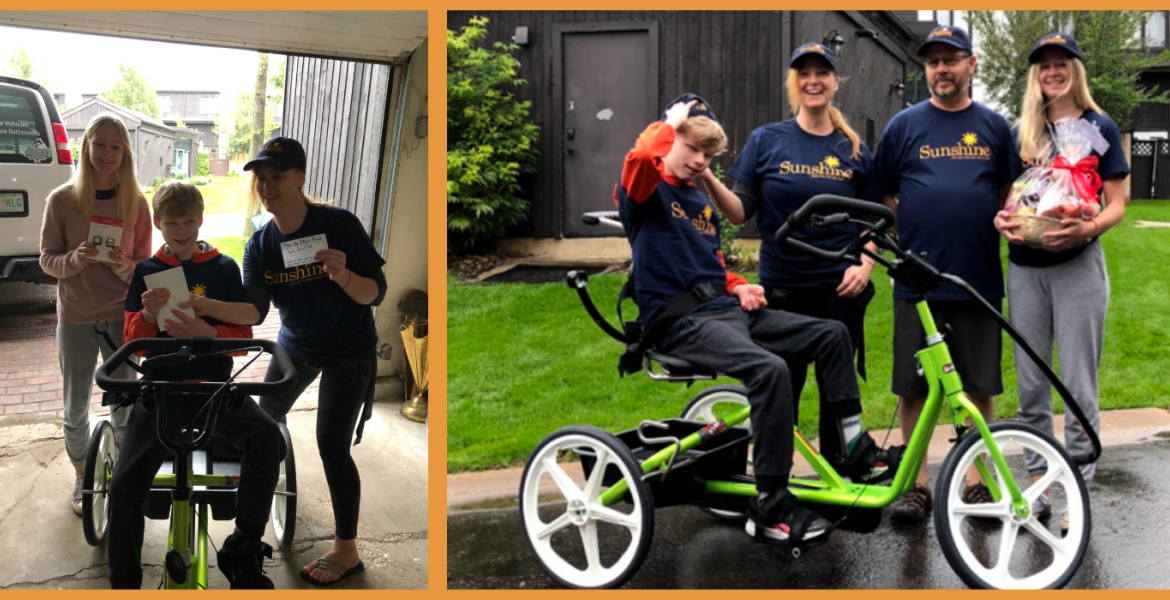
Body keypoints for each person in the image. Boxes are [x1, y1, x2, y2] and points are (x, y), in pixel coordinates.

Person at [616, 94, 876, 545]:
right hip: (681, 325)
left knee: (833, 334)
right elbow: (640, 156)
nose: (700, 161)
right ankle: (771, 505)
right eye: (691, 148)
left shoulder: (698, 202)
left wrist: (737, 285)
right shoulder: (644, 192)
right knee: (769, 370)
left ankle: (853, 448)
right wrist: (672, 121)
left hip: (725, 311)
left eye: (708, 155)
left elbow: (707, 265)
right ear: (670, 139)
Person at [711, 43, 881, 467]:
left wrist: (866, 262)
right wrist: (708, 181)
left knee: (835, 393)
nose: (813, 81)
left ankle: (841, 475)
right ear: (794, 83)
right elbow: (739, 212)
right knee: (781, 388)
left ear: (834, 82)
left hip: (838, 289)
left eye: (822, 72)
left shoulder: (854, 149)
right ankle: (776, 483)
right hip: (782, 290)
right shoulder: (767, 140)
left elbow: (873, 220)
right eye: (804, 73)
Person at [106, 180, 283, 589]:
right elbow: (133, 339)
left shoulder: (223, 269)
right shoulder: (146, 271)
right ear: (158, 223)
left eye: (188, 221)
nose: (181, 230)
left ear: (201, 220)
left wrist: (209, 331)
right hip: (160, 389)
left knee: (267, 438)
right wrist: (148, 319)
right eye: (172, 223)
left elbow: (243, 336)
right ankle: (124, 582)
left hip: (215, 387)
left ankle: (244, 545)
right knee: (125, 483)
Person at [873, 25, 1017, 524]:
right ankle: (915, 485)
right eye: (933, 61)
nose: (941, 69)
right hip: (916, 281)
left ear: (971, 65)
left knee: (979, 385)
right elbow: (883, 193)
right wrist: (910, 226)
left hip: (976, 277)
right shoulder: (904, 126)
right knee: (914, 388)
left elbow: (1008, 193)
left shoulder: (995, 127)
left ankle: (976, 483)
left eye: (951, 59)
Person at [993, 33, 1128, 531]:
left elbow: (1117, 201)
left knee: (1077, 384)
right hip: (1025, 268)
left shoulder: (1099, 127)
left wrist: (1088, 225)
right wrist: (1003, 220)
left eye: (1061, 63)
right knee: (1031, 386)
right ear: (1036, 75)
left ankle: (1078, 487)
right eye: (1044, 65)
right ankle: (1037, 484)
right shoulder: (1023, 131)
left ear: (1075, 70)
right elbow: (1011, 198)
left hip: (1079, 270)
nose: (1052, 72)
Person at [238, 137, 387, 585]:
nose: (266, 186)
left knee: (331, 445)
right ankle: (253, 519)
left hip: (349, 349)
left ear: (301, 179)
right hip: (296, 345)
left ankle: (347, 550)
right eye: (261, 179)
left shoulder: (339, 224)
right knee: (261, 425)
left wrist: (343, 275)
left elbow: (374, 292)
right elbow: (254, 310)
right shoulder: (260, 243)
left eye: (277, 177)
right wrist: (197, 304)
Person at [38, 114, 152, 515]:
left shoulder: (136, 203)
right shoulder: (62, 200)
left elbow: (145, 268)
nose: (107, 153)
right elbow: (47, 261)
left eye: (116, 147)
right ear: (86, 146)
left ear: (124, 154)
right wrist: (74, 259)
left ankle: (121, 475)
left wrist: (123, 266)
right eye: (100, 144)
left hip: (122, 318)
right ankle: (82, 475)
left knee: (125, 402)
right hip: (76, 316)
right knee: (75, 404)